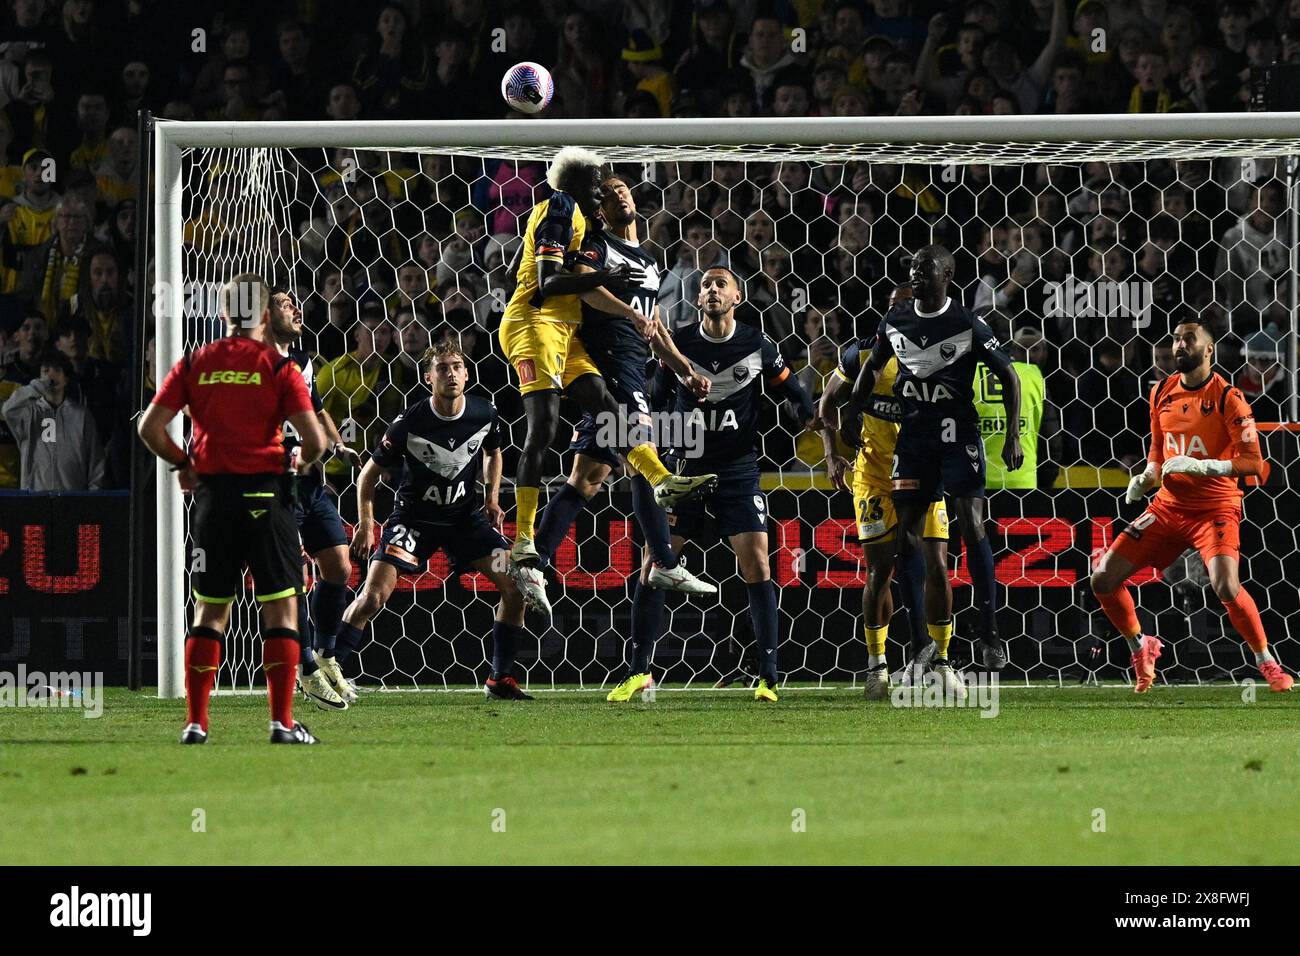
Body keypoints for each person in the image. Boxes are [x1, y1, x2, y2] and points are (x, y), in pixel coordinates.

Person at [496, 146, 715, 609]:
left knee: (589, 473)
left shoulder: (644, 258)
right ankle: (659, 560)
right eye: (603, 187)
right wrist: (612, 286)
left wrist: (684, 368)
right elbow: (564, 282)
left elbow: (652, 324)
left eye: (618, 187)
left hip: (582, 341)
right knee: (575, 438)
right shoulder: (591, 237)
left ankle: (533, 566)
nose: (609, 194)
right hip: (568, 338)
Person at [136, 273, 328, 744]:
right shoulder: (279, 366)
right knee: (281, 612)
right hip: (267, 498)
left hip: (213, 501)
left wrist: (184, 463)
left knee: (210, 611)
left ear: (223, 314)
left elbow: (149, 427)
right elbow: (317, 440)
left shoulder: (196, 362)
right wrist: (300, 459)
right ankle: (282, 723)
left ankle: (196, 723)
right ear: (264, 315)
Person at [615, 266, 816, 704]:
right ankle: (639, 673)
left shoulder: (756, 344)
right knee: (654, 564)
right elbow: (658, 400)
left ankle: (768, 677)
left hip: (738, 470)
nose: (711, 290)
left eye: (720, 283)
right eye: (705, 284)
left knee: (758, 563)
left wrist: (806, 412)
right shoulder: (680, 344)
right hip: (684, 468)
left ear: (736, 297)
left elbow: (792, 391)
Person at [1091, 318, 1292, 693]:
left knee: (1225, 585)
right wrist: (1148, 476)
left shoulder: (1229, 397)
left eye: (1189, 339)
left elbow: (1254, 462)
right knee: (1103, 578)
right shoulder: (1161, 391)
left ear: (1209, 349)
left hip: (1215, 507)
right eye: (1176, 339)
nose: (1180, 346)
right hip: (1167, 507)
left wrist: (1205, 466)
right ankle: (1142, 647)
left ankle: (1267, 661)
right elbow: (1157, 447)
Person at [328, 340, 535, 701]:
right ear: (429, 377)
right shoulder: (410, 421)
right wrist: (365, 522)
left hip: (466, 521)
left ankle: (500, 679)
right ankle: (329, 670)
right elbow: (367, 476)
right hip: (412, 521)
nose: (450, 373)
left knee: (516, 587)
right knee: (373, 597)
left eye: (456, 366)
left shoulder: (485, 412)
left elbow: (494, 452)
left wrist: (491, 496)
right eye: (442, 368)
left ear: (467, 374)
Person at [852, 245, 1024, 672]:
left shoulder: (967, 323)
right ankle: (920, 645)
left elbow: (1009, 375)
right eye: (912, 267)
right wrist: (854, 408)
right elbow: (872, 368)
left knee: (971, 524)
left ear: (947, 274)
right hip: (914, 442)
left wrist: (1012, 436)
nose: (916, 273)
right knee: (902, 538)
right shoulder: (895, 320)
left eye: (925, 268)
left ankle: (988, 633)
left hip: (957, 437)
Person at [820, 285, 953, 700]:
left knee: (937, 565)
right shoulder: (860, 354)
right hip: (874, 476)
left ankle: (941, 662)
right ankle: (878, 666)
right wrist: (832, 455)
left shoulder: (935, 356)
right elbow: (826, 405)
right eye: (892, 305)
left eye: (906, 305)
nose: (898, 311)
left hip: (922, 471)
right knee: (881, 570)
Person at [263, 292, 360, 711]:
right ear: (265, 315)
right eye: (286, 304)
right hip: (275, 483)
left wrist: (336, 447)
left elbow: (318, 412)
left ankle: (324, 653)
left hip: (311, 482)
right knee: (292, 577)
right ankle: (305, 670)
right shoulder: (255, 365)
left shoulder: (303, 361)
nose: (297, 309)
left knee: (339, 564)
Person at [2, 349, 104, 490]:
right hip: (35, 501)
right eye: (46, 370)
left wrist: (91, 499)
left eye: (57, 369)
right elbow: (8, 410)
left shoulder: (81, 415)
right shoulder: (28, 413)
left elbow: (96, 463)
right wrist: (38, 386)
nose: (51, 374)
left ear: (66, 378)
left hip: (72, 500)